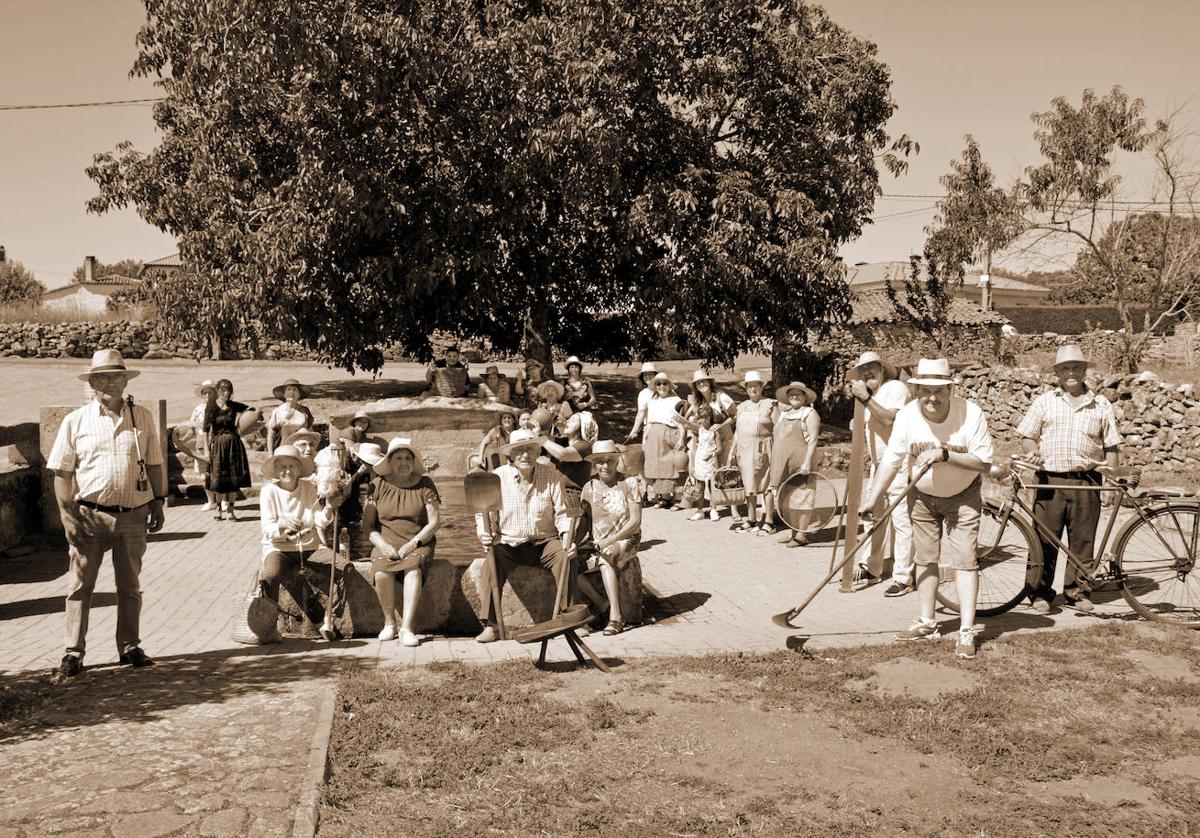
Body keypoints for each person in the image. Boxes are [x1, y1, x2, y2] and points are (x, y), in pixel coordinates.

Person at [859, 358, 994, 660]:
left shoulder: (970, 414)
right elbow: (892, 460)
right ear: (917, 389)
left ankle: (967, 630)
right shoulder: (907, 415)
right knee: (925, 559)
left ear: (949, 389)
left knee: (964, 561)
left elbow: (983, 462)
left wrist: (945, 454)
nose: (932, 398)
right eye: (925, 391)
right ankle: (927, 622)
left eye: (939, 391)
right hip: (921, 495)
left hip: (962, 495)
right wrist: (873, 499)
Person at [48, 349, 166, 678]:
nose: (111, 383)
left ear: (126, 380)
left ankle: (129, 646)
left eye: (117, 376)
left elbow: (155, 462)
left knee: (130, 586)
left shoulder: (141, 416)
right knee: (80, 586)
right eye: (104, 377)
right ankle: (73, 652)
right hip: (89, 515)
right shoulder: (76, 421)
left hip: (133, 513)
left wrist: (158, 500)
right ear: (93, 382)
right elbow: (62, 473)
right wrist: (67, 517)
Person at [1016, 345, 1121, 614]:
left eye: (1076, 367)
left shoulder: (1101, 405)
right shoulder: (1044, 402)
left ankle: (1077, 591)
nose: (1071, 372)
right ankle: (1039, 593)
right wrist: (1033, 451)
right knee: (1043, 540)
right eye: (1065, 368)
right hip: (1049, 481)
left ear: (1085, 371)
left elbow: (1111, 447)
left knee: (1083, 540)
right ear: (1057, 373)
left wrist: (1109, 482)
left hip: (1087, 480)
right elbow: (1027, 435)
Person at [474, 428, 580, 643]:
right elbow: (483, 514)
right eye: (519, 450)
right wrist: (485, 535)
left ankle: (570, 619)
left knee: (565, 556)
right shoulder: (497, 477)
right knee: (491, 560)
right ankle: (491, 625)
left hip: (545, 543)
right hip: (509, 544)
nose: (525, 455)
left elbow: (562, 513)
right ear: (511, 455)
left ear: (537, 451)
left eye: (530, 449)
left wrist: (568, 537)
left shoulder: (551, 475)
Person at [357, 438, 441, 647]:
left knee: (413, 569)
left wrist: (413, 544)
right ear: (390, 461)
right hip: (386, 540)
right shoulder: (377, 485)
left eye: (407, 458)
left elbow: (434, 522)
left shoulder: (425, 484)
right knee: (381, 570)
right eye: (398, 458)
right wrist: (383, 546)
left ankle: (407, 628)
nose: (403, 462)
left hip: (419, 541)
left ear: (413, 462)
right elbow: (368, 526)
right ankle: (389, 623)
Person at [848, 351, 915, 596]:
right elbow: (876, 427)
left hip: (898, 464)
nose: (867, 372)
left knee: (901, 521)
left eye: (871, 367)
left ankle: (903, 577)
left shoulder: (896, 388)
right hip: (878, 465)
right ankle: (872, 567)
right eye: (862, 370)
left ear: (882, 368)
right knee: (873, 517)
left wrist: (866, 400)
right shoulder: (871, 396)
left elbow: (889, 420)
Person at [258, 444, 343, 612]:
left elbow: (320, 521)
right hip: (279, 549)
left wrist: (329, 507)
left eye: (291, 466)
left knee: (345, 567)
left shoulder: (309, 488)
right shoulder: (268, 492)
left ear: (298, 469)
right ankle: (269, 621)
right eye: (282, 466)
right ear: (275, 471)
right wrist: (282, 524)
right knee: (269, 575)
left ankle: (332, 616)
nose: (287, 471)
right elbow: (267, 529)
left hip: (311, 548)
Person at [580, 440, 642, 635]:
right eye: (600, 461)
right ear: (594, 464)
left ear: (617, 461)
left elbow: (635, 521)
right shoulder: (588, 488)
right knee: (570, 563)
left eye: (610, 460)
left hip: (626, 539)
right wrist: (571, 543)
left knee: (606, 558)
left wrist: (610, 541)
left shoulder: (629, 483)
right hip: (598, 542)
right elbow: (583, 523)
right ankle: (602, 604)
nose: (605, 466)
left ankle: (616, 616)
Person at [769, 382, 821, 546]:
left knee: (803, 499)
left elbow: (813, 440)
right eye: (791, 394)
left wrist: (806, 462)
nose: (794, 396)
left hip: (801, 464)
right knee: (788, 499)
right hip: (783, 464)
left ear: (805, 397)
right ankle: (792, 531)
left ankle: (801, 535)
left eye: (798, 394)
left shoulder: (809, 414)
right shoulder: (784, 414)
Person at [732, 370, 779, 534]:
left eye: (755, 385)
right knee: (748, 485)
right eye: (749, 386)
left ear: (761, 387)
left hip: (764, 449)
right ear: (746, 388)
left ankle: (769, 521)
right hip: (744, 450)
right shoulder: (742, 407)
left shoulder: (771, 405)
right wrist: (733, 450)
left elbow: (778, 429)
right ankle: (751, 519)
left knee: (766, 485)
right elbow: (737, 431)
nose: (752, 389)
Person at [203, 379, 253, 521]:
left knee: (232, 479)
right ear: (218, 391)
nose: (226, 393)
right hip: (217, 446)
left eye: (229, 390)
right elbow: (205, 430)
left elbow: (251, 410)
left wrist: (244, 426)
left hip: (233, 444)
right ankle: (219, 509)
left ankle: (230, 509)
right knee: (218, 479)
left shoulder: (233, 406)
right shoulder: (211, 407)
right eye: (224, 390)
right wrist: (206, 451)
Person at [640, 372, 687, 508]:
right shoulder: (652, 401)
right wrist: (644, 439)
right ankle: (664, 497)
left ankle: (677, 499)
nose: (662, 387)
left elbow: (681, 422)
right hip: (654, 435)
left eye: (664, 384)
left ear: (669, 386)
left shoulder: (676, 400)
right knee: (657, 468)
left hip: (670, 434)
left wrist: (682, 439)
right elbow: (649, 422)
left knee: (672, 467)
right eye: (659, 384)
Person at [679, 402, 731, 521]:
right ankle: (700, 510)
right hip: (699, 460)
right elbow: (694, 449)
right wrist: (691, 465)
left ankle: (713, 509)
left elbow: (719, 448)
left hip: (711, 461)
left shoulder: (715, 431)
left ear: (710, 417)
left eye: (706, 417)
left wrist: (712, 454)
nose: (704, 419)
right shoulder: (698, 431)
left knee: (712, 486)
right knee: (699, 486)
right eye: (701, 417)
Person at [191, 379, 219, 511]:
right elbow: (192, 426)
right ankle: (210, 501)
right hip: (202, 444)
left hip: (217, 444)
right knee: (205, 474)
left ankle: (222, 501)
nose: (207, 395)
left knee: (219, 473)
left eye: (210, 392)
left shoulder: (220, 408)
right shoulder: (198, 409)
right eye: (205, 393)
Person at [266, 378, 314, 453]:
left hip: (301, 452)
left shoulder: (305, 411)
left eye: (294, 390)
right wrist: (270, 454)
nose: (291, 392)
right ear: (284, 394)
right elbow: (271, 436)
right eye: (288, 389)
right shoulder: (277, 411)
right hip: (281, 451)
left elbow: (311, 434)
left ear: (299, 394)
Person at [626, 361, 660, 442]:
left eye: (650, 374)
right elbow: (641, 413)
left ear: (655, 375)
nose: (647, 377)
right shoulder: (643, 394)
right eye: (645, 374)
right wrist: (634, 430)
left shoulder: (664, 389)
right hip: (650, 429)